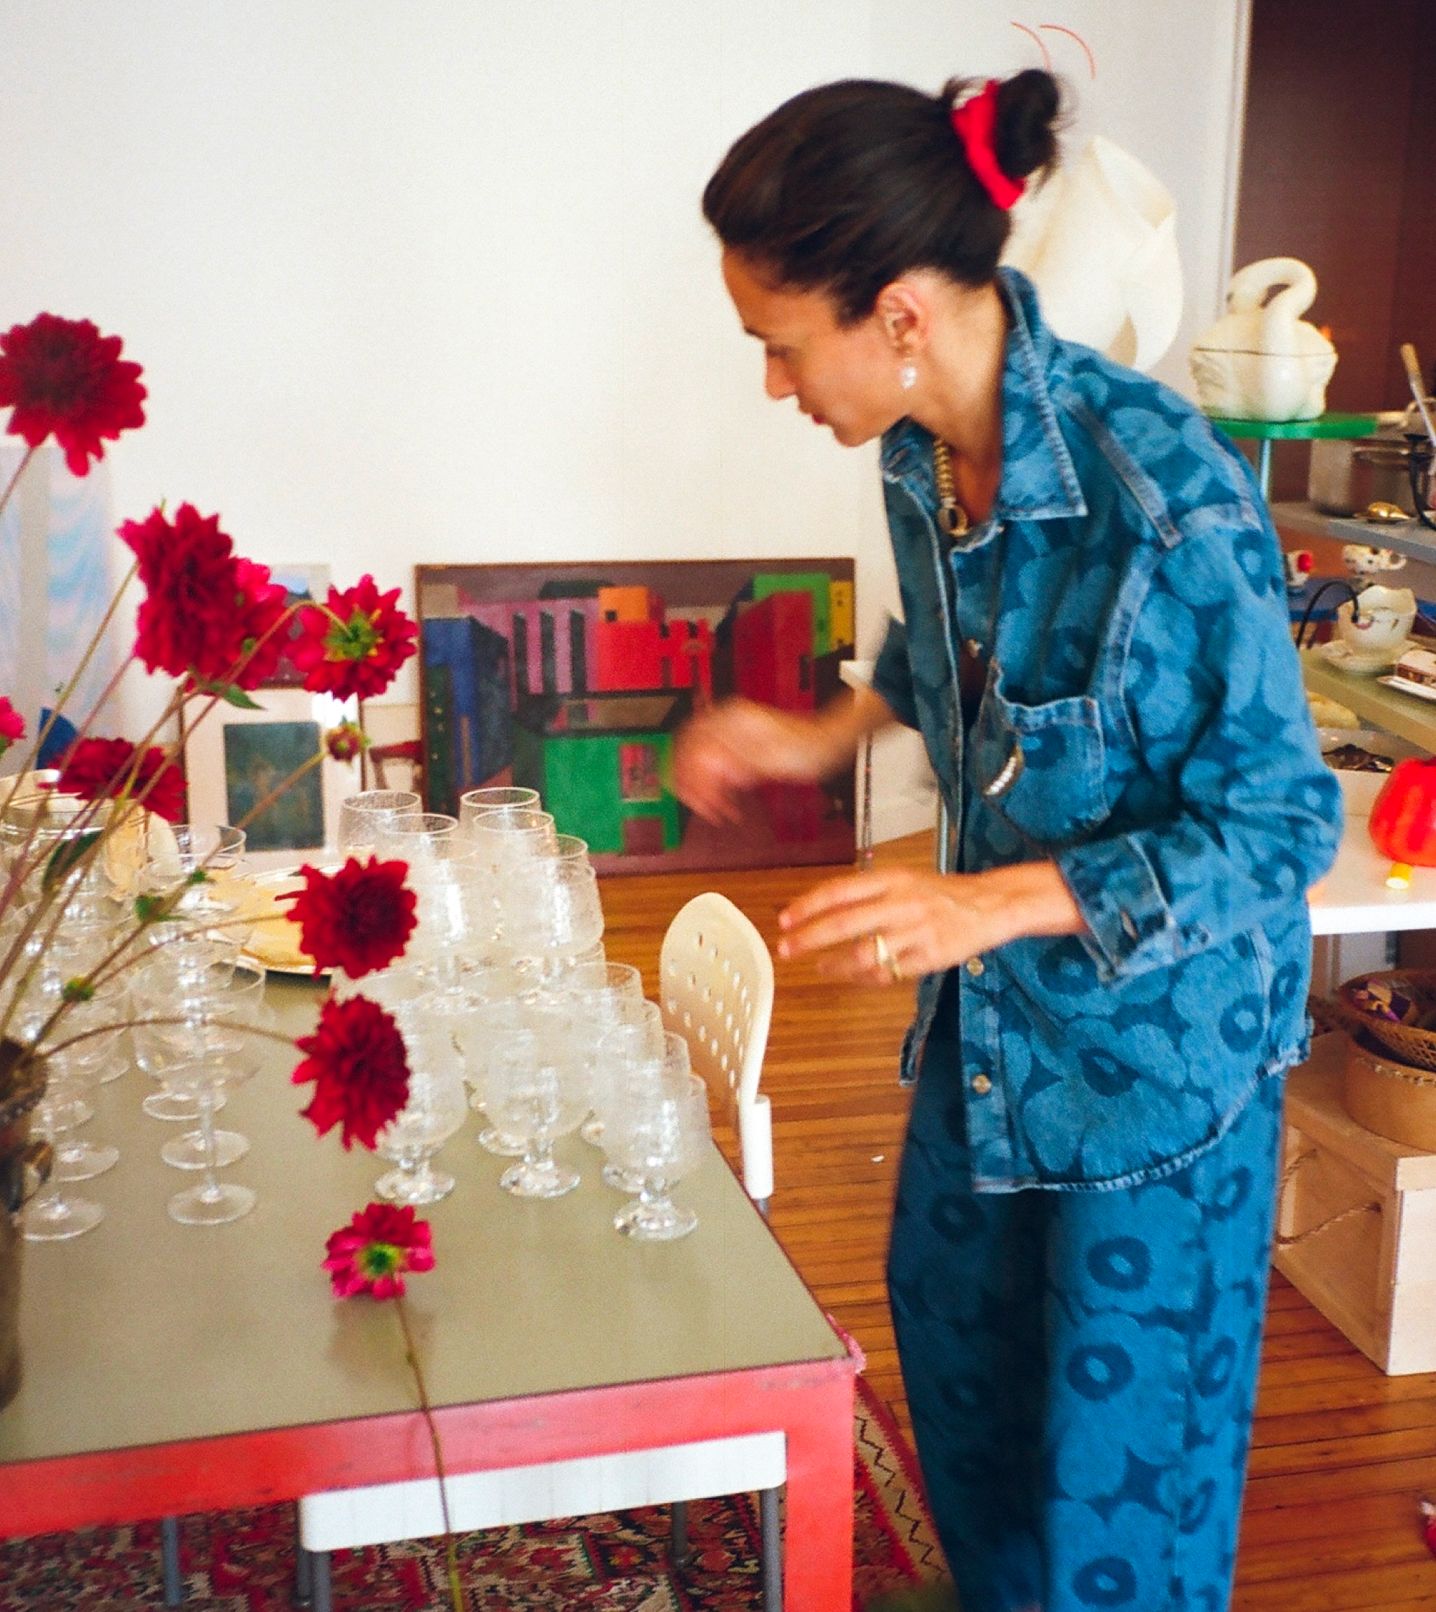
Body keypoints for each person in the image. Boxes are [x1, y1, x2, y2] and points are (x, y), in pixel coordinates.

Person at [675, 70, 1343, 1612]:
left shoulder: (1164, 498)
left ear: (898, 312)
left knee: (1122, 1496)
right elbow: (953, 659)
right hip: (999, 1044)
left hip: (1160, 1084)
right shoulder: (923, 454)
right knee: (966, 1386)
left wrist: (992, 905)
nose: (776, 385)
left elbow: (1283, 826)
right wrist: (821, 733)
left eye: (781, 346)